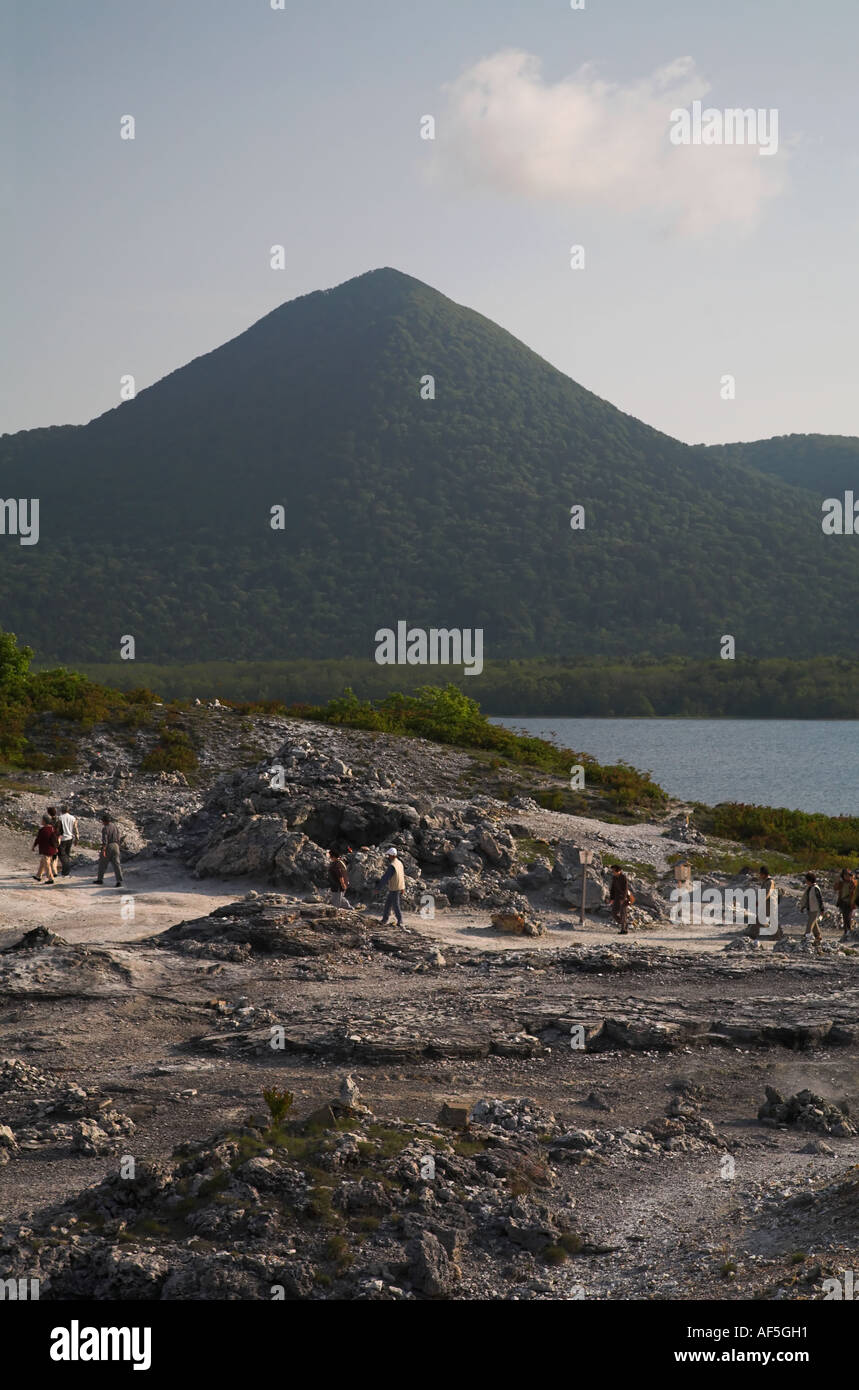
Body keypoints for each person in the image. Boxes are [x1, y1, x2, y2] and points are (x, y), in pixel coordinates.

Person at [376, 847, 405, 926]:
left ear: (392, 855)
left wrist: (378, 888)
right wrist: (403, 887)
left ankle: (400, 920)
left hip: (394, 887)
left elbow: (386, 878)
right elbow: (402, 876)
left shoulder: (392, 866)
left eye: (388, 855)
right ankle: (385, 919)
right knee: (388, 904)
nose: (388, 857)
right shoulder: (399, 863)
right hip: (398, 886)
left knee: (396, 905)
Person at [94, 812, 123, 886]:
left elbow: (105, 840)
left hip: (108, 846)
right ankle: (119, 881)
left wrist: (103, 850)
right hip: (116, 846)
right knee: (117, 864)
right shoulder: (115, 826)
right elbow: (118, 837)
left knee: (102, 864)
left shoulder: (105, 828)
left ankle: (100, 880)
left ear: (105, 821)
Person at [800, 872, 824, 955]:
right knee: (814, 924)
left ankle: (807, 936)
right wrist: (803, 907)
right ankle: (818, 937)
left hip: (815, 909)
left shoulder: (816, 888)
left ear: (810, 880)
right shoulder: (809, 888)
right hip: (810, 909)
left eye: (806, 880)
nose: (805, 881)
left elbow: (820, 899)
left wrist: (822, 909)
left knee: (810, 923)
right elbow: (806, 899)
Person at [32, 814, 59, 884]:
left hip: (46, 850)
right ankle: (38, 876)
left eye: (42, 820)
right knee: (42, 862)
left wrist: (34, 846)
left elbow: (38, 839)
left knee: (46, 864)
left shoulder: (43, 830)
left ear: (44, 821)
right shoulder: (53, 829)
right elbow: (56, 839)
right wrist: (56, 848)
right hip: (52, 849)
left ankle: (50, 878)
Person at [757, 865, 782, 938]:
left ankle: (777, 936)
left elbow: (768, 892)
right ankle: (771, 933)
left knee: (772, 919)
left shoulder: (770, 881)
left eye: (760, 874)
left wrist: (762, 900)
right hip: (766, 904)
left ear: (764, 874)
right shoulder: (765, 882)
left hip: (771, 904)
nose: (759, 876)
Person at [57, 803, 79, 878]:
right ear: (68, 810)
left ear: (62, 810)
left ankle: (66, 870)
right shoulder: (73, 818)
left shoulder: (60, 818)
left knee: (61, 855)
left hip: (62, 838)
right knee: (67, 854)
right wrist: (77, 838)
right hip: (70, 838)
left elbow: (58, 829)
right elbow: (75, 829)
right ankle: (65, 871)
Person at [835, 869, 856, 938]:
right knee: (845, 917)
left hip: (850, 903)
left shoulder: (853, 883)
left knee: (848, 917)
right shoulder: (842, 883)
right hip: (843, 902)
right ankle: (846, 932)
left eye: (848, 875)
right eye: (845, 875)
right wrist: (837, 880)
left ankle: (849, 931)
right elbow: (835, 888)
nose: (847, 877)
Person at [609, 865, 630, 935]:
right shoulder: (614, 878)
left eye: (613, 871)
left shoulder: (623, 877)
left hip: (624, 898)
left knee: (623, 914)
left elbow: (625, 889)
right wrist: (611, 898)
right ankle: (624, 923)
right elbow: (612, 889)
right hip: (617, 898)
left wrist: (623, 899)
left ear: (618, 871)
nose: (612, 872)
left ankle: (623, 929)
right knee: (614, 913)